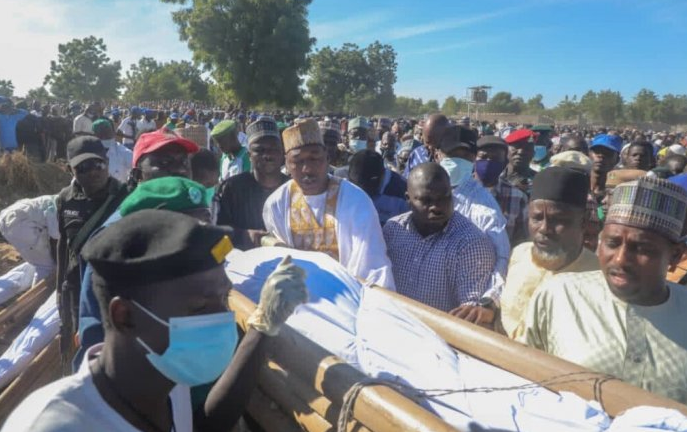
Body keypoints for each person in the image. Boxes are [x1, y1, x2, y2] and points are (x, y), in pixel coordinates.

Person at [4, 209, 308, 432]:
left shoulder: (162, 379)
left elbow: (204, 427)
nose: (222, 319)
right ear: (124, 316)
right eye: (200, 306)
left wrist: (264, 326)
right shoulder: (55, 425)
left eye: (224, 299)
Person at [520, 177, 687, 404]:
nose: (620, 259)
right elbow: (522, 375)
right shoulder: (559, 294)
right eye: (612, 243)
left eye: (642, 249)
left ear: (675, 256)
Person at [263, 119, 395, 289]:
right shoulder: (277, 204)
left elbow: (372, 268)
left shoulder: (355, 202)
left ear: (327, 157)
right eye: (297, 161)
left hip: (347, 299)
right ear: (287, 164)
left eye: (314, 158)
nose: (307, 169)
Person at [56, 137, 129, 371]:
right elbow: (63, 244)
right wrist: (59, 288)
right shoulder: (64, 199)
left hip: (114, 288)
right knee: (84, 343)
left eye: (98, 165)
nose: (93, 173)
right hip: (77, 286)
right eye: (83, 168)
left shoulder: (125, 197)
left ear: (107, 162)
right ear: (70, 169)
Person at [383, 163, 495, 317]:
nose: (437, 207)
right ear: (408, 199)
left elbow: (469, 314)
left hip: (439, 337)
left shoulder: (471, 242)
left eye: (445, 197)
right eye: (426, 200)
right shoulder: (393, 230)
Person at [499, 167, 598, 339]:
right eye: (537, 218)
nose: (544, 229)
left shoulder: (597, 278)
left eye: (558, 220)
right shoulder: (519, 255)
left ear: (583, 222)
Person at [437, 125, 510, 311]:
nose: (458, 162)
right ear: (438, 154)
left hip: (464, 306)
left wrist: (489, 300)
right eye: (452, 155)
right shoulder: (422, 191)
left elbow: (502, 258)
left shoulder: (485, 209)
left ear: (473, 160)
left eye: (465, 156)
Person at [216, 118, 288, 250]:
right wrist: (243, 236)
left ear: (282, 153)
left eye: (274, 149)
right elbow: (218, 235)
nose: (267, 155)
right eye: (260, 150)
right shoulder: (231, 189)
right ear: (249, 155)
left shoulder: (293, 189)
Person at [474, 135, 529, 246]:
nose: (488, 161)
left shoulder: (518, 198)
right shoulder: (458, 193)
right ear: (473, 159)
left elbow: (520, 242)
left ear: (504, 164)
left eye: (495, 158)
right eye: (483, 157)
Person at [348, 149, 408, 226]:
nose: (360, 193)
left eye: (364, 187)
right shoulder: (343, 179)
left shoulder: (402, 192)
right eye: (355, 185)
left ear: (381, 177)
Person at [586, 134, 622, 250]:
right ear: (589, 155)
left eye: (607, 153)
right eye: (597, 152)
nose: (601, 156)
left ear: (616, 159)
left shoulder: (618, 193)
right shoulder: (578, 185)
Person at [404, 114, 448, 178]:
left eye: (435, 142)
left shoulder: (455, 161)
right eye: (427, 142)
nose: (430, 147)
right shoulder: (416, 154)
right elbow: (406, 180)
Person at [92, 119, 133, 184]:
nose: (105, 136)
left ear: (113, 133)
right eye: (101, 134)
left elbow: (137, 170)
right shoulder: (89, 154)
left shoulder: (124, 152)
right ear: (94, 136)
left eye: (107, 133)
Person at [501, 129, 537, 195]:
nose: (521, 152)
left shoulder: (538, 180)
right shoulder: (496, 175)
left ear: (533, 154)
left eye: (527, 149)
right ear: (506, 151)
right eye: (516, 147)